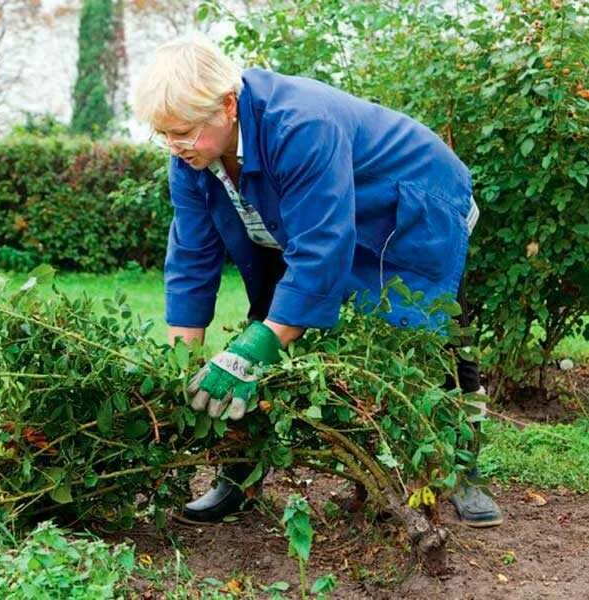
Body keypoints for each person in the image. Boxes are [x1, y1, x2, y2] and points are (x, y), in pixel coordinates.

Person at [132, 34, 502, 527]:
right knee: (259, 325)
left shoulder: (300, 124)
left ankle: (460, 469)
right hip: (291, 222)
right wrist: (183, 363)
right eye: (164, 135)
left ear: (227, 105)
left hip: (411, 205)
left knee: (435, 339)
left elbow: (322, 247)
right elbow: (191, 258)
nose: (173, 147)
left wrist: (261, 344)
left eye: (182, 132)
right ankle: (239, 473)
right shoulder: (191, 156)